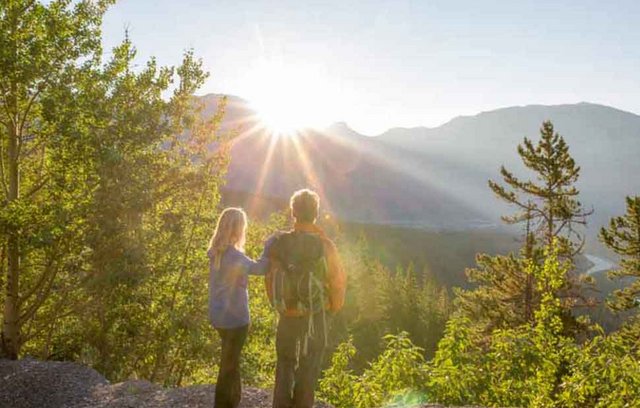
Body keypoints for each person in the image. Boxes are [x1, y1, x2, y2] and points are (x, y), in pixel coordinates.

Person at [266, 189, 346, 408]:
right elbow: (337, 281)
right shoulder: (325, 246)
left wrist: (279, 305)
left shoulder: (278, 242)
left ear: (293, 212)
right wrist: (332, 306)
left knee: (284, 365)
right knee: (309, 367)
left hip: (286, 313)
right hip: (315, 315)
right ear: (316, 213)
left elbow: (269, 277)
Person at [207, 207, 273, 408]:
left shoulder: (215, 252)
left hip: (218, 317)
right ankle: (223, 404)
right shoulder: (234, 256)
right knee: (229, 364)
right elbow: (261, 268)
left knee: (230, 360)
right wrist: (270, 246)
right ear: (237, 229)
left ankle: (233, 401)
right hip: (235, 319)